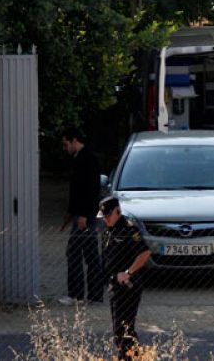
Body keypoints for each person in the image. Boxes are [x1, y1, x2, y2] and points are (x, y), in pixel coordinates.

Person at [99, 196, 151, 360]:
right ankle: (135, 357)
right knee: (118, 330)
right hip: (114, 285)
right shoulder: (109, 230)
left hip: (129, 285)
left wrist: (128, 272)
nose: (105, 220)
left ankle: (129, 358)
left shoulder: (130, 229)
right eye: (104, 217)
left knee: (125, 329)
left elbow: (145, 253)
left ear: (118, 211)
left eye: (108, 216)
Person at [58, 128, 104, 306]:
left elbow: (90, 190)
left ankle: (76, 295)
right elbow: (77, 191)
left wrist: (83, 214)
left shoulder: (87, 160)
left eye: (66, 144)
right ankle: (93, 296)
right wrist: (70, 213)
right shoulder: (81, 159)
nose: (65, 148)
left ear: (74, 141)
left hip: (85, 215)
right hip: (82, 213)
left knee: (76, 253)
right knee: (89, 254)